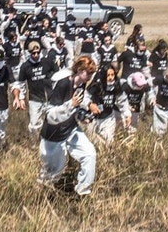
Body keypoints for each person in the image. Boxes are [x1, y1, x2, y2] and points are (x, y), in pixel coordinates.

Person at [37, 56, 98, 196]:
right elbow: (51, 116)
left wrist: (86, 109)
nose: (90, 76)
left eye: (92, 73)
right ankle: (42, 197)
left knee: (89, 154)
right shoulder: (63, 84)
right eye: (88, 73)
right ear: (80, 70)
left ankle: (83, 193)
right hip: (54, 135)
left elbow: (80, 100)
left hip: (71, 129)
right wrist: (71, 105)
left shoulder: (81, 83)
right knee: (53, 172)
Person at [17, 42, 59, 137]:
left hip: (49, 97)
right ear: (29, 53)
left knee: (52, 120)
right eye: (33, 53)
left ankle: (48, 140)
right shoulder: (25, 66)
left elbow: (57, 73)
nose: (36, 55)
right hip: (34, 98)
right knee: (34, 123)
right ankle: (34, 142)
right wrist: (21, 98)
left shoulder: (47, 61)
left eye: (37, 52)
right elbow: (21, 83)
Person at [84, 65, 132, 144]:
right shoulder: (97, 85)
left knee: (109, 141)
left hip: (108, 117)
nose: (110, 78)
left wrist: (127, 114)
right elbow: (85, 96)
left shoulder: (116, 85)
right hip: (93, 118)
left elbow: (122, 101)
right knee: (92, 141)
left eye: (112, 75)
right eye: (108, 75)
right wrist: (90, 104)